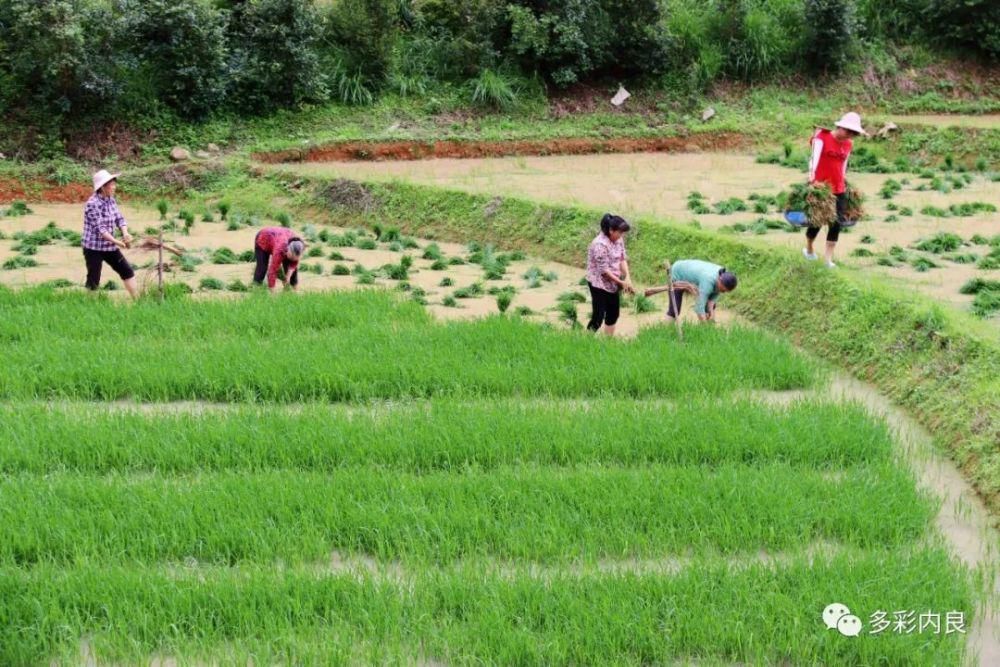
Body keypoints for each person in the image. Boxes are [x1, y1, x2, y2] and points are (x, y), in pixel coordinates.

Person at [803, 111, 866, 268]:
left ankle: (827, 260)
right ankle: (809, 248)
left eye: (853, 133)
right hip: (821, 187)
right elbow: (813, 160)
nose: (849, 135)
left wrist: (843, 179)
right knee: (817, 221)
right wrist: (812, 180)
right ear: (840, 126)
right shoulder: (821, 138)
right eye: (847, 131)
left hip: (838, 187)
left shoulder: (848, 144)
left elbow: (844, 164)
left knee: (836, 222)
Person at [82, 169, 137, 297]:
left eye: (114, 183)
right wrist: (118, 242)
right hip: (93, 247)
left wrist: (125, 233)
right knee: (94, 278)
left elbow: (119, 218)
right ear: (102, 187)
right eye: (111, 184)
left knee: (126, 270)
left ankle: (138, 300)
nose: (114, 187)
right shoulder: (92, 204)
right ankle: (90, 306)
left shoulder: (111, 199)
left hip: (109, 246)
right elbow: (101, 229)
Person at [585, 213, 634, 335]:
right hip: (598, 284)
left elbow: (622, 258)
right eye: (620, 232)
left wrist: (627, 277)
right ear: (611, 230)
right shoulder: (599, 245)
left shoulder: (618, 240)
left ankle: (608, 343)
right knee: (598, 316)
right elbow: (604, 272)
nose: (622, 235)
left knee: (613, 314)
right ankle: (585, 341)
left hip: (614, 282)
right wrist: (621, 283)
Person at [645, 259, 737, 323]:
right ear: (719, 281)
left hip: (693, 275)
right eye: (722, 290)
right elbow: (699, 308)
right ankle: (663, 332)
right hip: (678, 273)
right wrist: (705, 327)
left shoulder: (723, 275)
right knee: (674, 309)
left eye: (724, 291)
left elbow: (711, 303)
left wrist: (711, 316)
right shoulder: (708, 281)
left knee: (709, 310)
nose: (722, 292)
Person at [253, 226, 305, 291]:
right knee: (262, 268)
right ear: (288, 250)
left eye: (295, 258)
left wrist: (288, 277)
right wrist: (272, 292)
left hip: (280, 236)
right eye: (291, 256)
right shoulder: (279, 250)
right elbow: (272, 271)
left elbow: (294, 263)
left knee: (292, 268)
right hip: (263, 238)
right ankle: (256, 289)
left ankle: (295, 290)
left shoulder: (299, 247)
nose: (292, 259)